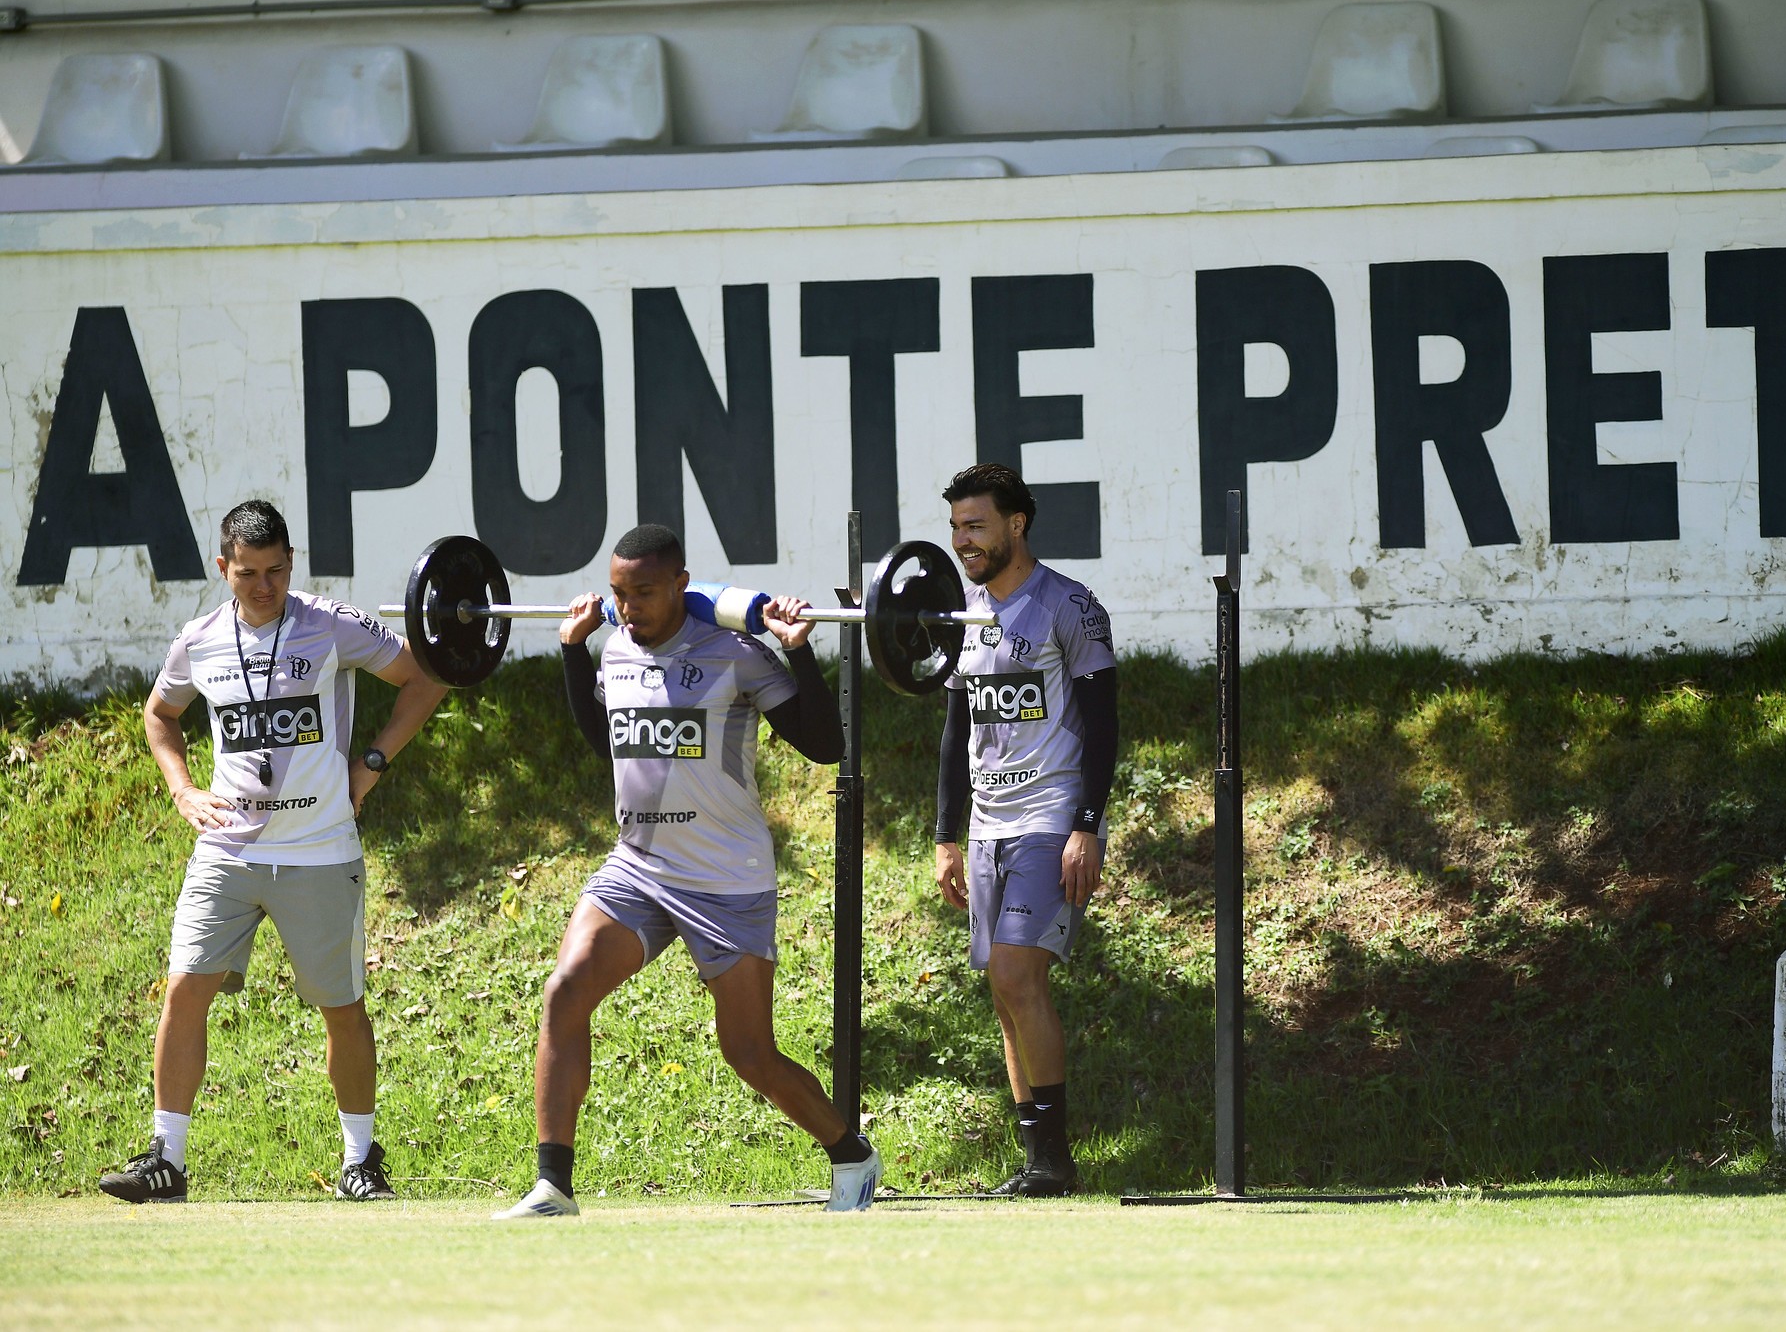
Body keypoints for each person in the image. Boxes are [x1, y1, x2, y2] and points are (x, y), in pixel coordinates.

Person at [494, 523, 878, 1218]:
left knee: (751, 1055)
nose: (629, 605)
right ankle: (554, 1183)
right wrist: (573, 653)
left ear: (681, 584)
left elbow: (825, 744)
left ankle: (851, 1152)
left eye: (644, 590)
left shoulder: (736, 654)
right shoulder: (614, 650)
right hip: (638, 868)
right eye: (619, 592)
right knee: (564, 991)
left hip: (726, 879)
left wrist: (800, 652)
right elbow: (602, 740)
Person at [100, 499, 448, 1204]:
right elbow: (159, 715)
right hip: (226, 853)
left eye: (278, 571)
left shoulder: (330, 624)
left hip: (321, 852)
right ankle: (166, 1158)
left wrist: (371, 764)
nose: (265, 587)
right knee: (185, 989)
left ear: (293, 563)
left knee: (342, 1007)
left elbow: (426, 677)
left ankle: (359, 1161)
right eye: (250, 573)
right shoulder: (198, 640)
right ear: (222, 567)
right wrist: (182, 790)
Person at [933, 464, 1118, 1196]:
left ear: (1017, 524)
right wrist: (946, 836)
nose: (962, 540)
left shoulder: (1069, 605)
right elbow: (954, 732)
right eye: (955, 527)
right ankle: (1038, 1157)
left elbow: (1104, 722)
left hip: (1050, 819)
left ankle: (1056, 1158)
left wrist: (1088, 826)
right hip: (986, 828)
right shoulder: (967, 614)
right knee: (1003, 993)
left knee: (1018, 973)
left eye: (975, 525)